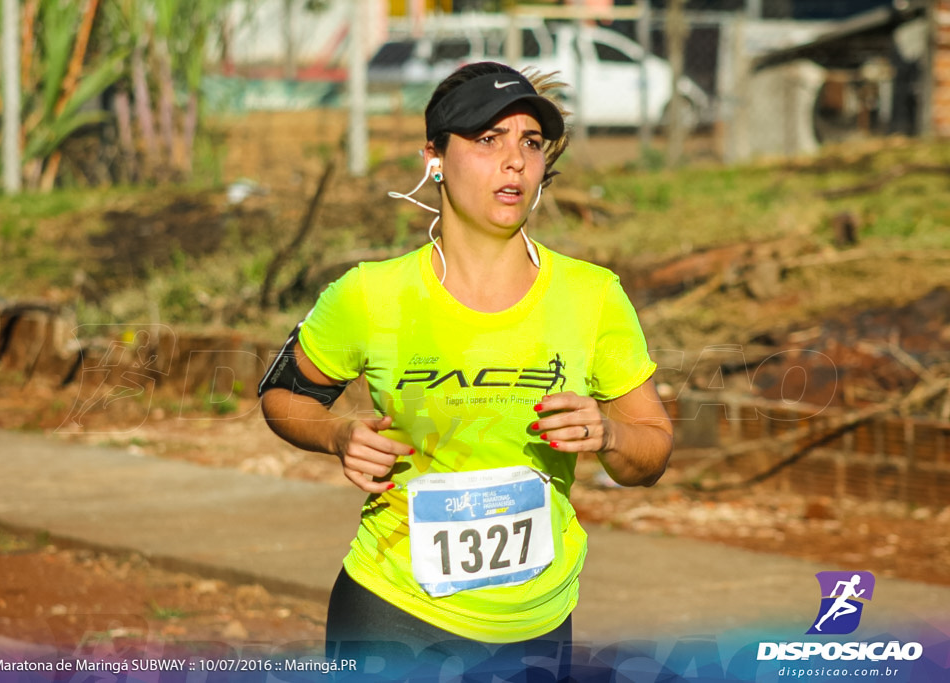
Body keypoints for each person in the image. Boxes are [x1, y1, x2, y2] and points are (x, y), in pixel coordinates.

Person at [259, 61, 673, 679]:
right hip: (392, 607)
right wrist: (336, 436)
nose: (514, 161)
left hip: (537, 620)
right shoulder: (370, 295)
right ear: (435, 157)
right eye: (487, 140)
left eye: (530, 143)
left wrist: (610, 435)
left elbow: (654, 447)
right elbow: (282, 398)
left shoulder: (592, 297)